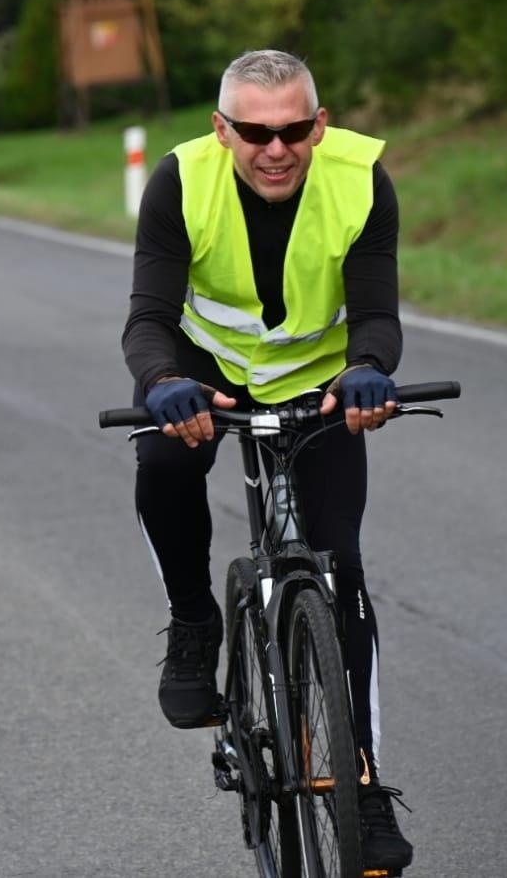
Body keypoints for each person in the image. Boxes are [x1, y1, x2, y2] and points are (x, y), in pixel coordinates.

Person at [122, 49, 412, 873]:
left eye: (292, 130)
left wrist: (369, 368)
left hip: (320, 381)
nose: (275, 149)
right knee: (163, 466)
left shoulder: (360, 179)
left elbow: (377, 311)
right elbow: (148, 317)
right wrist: (163, 380)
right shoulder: (180, 181)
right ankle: (193, 622)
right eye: (254, 132)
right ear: (223, 130)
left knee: (342, 569)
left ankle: (361, 781)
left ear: (319, 125)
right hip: (203, 371)